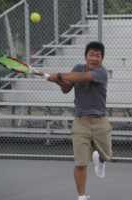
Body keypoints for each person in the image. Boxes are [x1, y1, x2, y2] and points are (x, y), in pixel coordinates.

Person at [48, 41, 112, 200]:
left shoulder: (101, 72)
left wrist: (59, 74)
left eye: (98, 56)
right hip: (80, 123)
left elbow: (83, 78)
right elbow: (66, 88)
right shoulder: (77, 68)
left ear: (102, 59)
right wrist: (58, 81)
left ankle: (100, 160)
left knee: (107, 155)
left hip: (100, 121)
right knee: (81, 163)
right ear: (85, 56)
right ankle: (82, 196)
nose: (94, 58)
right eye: (91, 55)